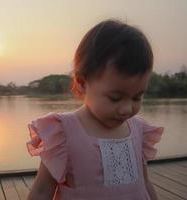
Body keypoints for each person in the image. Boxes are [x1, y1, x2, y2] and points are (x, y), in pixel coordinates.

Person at [26, 19, 164, 200]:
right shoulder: (63, 133)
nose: (127, 109)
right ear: (83, 83)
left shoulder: (138, 131)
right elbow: (42, 191)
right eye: (115, 98)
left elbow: (144, 183)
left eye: (137, 97)